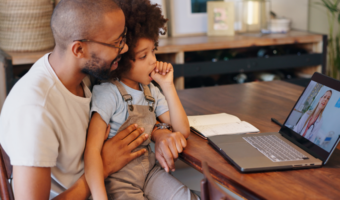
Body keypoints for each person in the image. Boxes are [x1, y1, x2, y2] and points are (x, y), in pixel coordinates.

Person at [0, 0, 153, 199]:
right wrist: (103, 166)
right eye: (116, 43)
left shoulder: (85, 75)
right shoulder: (35, 109)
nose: (124, 49)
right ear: (78, 49)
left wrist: (161, 132)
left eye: (123, 38)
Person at [84, 0, 199, 199]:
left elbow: (182, 129)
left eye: (153, 50)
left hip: (150, 173)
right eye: (143, 55)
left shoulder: (151, 91)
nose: (153, 60)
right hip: (119, 180)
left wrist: (168, 86)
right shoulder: (108, 93)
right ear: (121, 60)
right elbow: (92, 151)